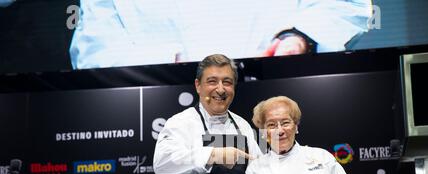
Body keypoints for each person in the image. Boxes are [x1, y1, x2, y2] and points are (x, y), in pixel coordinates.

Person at [70, 0, 373, 69]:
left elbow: (345, 5)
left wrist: (299, 38)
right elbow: (94, 49)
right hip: (161, 117)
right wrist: (174, 63)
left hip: (279, 102)